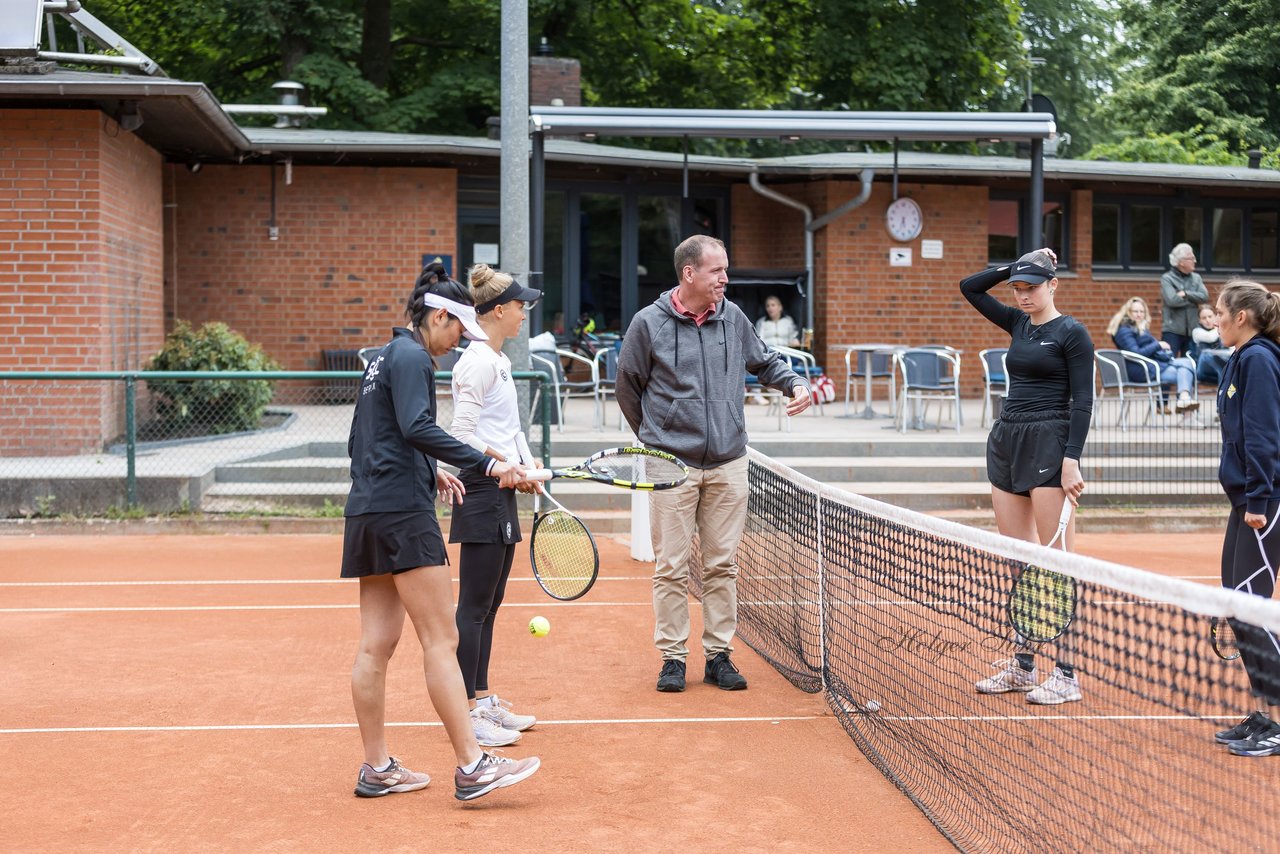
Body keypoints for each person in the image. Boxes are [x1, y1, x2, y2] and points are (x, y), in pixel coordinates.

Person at [342, 261, 540, 800]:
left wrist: (431, 471)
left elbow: (368, 437)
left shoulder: (381, 359)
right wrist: (488, 465)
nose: (458, 342)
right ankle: (472, 766)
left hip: (367, 512)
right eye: (456, 329)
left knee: (375, 645)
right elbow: (417, 427)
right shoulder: (412, 359)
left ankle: (377, 768)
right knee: (442, 637)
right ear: (435, 317)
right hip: (404, 517)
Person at [616, 235, 812, 693]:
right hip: (669, 464)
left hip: (728, 464)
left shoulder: (733, 317)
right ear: (690, 274)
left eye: (725, 270)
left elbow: (765, 362)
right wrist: (656, 438)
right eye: (717, 270)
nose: (726, 278)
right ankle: (673, 658)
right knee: (671, 566)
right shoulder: (649, 323)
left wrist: (795, 384)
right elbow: (628, 385)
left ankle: (719, 654)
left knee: (722, 565)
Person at [960, 247, 1094, 705]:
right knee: (1019, 561)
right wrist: (1017, 264)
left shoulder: (1072, 332)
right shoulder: (1017, 322)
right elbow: (970, 287)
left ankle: (1068, 672)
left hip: (1050, 442)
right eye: (1018, 287)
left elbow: (1083, 401)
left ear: (1053, 285)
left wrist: (1071, 458)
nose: (1022, 295)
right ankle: (1022, 665)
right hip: (1008, 439)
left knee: (1057, 565)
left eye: (1031, 286)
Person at [446, 263, 544, 748]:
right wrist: (504, 466)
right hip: (481, 490)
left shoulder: (497, 360)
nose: (525, 312)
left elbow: (508, 430)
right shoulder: (478, 362)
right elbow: (460, 436)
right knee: (474, 605)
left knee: (492, 603)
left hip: (500, 488)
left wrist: (525, 464)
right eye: (520, 305)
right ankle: (465, 711)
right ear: (499, 310)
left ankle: (482, 699)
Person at [1209, 280, 1280, 757]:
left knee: (1253, 610)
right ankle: (1263, 714)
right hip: (1245, 500)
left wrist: (1258, 500)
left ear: (1241, 317)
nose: (1212, 318)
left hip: (1262, 503)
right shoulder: (1241, 356)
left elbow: (1262, 436)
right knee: (1237, 606)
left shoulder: (1258, 359)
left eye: (1219, 311)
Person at [1106, 296, 1200, 413]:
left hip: (1153, 365)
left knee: (1187, 363)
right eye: (1135, 311)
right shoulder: (1124, 330)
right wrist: (1158, 345)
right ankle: (1186, 410)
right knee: (1186, 374)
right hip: (1141, 369)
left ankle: (1184, 399)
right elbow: (1135, 353)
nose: (1139, 314)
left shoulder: (1139, 328)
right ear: (1128, 312)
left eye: (1142, 311)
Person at [1160, 243, 1209, 357]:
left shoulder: (1196, 278)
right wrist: (1193, 300)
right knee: (1168, 360)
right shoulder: (1167, 278)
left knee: (1191, 364)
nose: (1195, 261)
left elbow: (1204, 297)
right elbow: (1172, 301)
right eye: (1191, 258)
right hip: (1172, 331)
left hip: (1192, 330)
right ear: (1181, 262)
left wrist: (1186, 294)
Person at [1190, 302, 1232, 386]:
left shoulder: (1222, 331)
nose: (1207, 320)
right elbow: (1210, 337)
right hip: (1203, 370)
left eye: (1210, 316)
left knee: (1226, 365)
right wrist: (1219, 326)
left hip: (1219, 368)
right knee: (1207, 354)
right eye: (1204, 318)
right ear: (1199, 320)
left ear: (1215, 316)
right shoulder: (1196, 332)